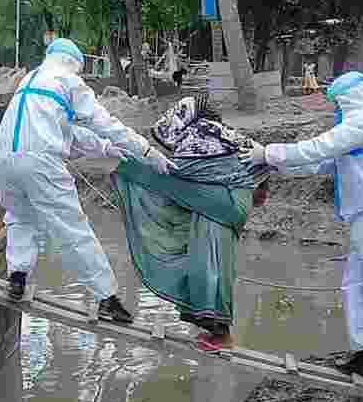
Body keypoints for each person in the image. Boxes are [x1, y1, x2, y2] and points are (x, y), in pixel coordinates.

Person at [240, 71, 363, 387]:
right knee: (355, 285)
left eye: (335, 103)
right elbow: (317, 163)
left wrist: (267, 152)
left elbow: (318, 148)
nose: (334, 109)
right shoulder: (357, 129)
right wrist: (270, 161)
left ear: (346, 100)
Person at [0, 37, 175, 323]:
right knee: (74, 230)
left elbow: (64, 131)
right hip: (40, 162)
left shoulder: (31, 79)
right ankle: (106, 297)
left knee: (19, 215)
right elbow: (106, 124)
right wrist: (148, 152)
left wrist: (104, 149)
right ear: (74, 64)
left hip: (1, 157)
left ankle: (17, 275)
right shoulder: (69, 81)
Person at [111, 94, 271, 351]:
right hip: (234, 204)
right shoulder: (230, 135)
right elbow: (261, 176)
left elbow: (175, 174)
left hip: (221, 204)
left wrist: (128, 167)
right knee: (214, 260)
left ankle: (221, 335)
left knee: (207, 264)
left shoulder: (194, 136)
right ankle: (216, 332)